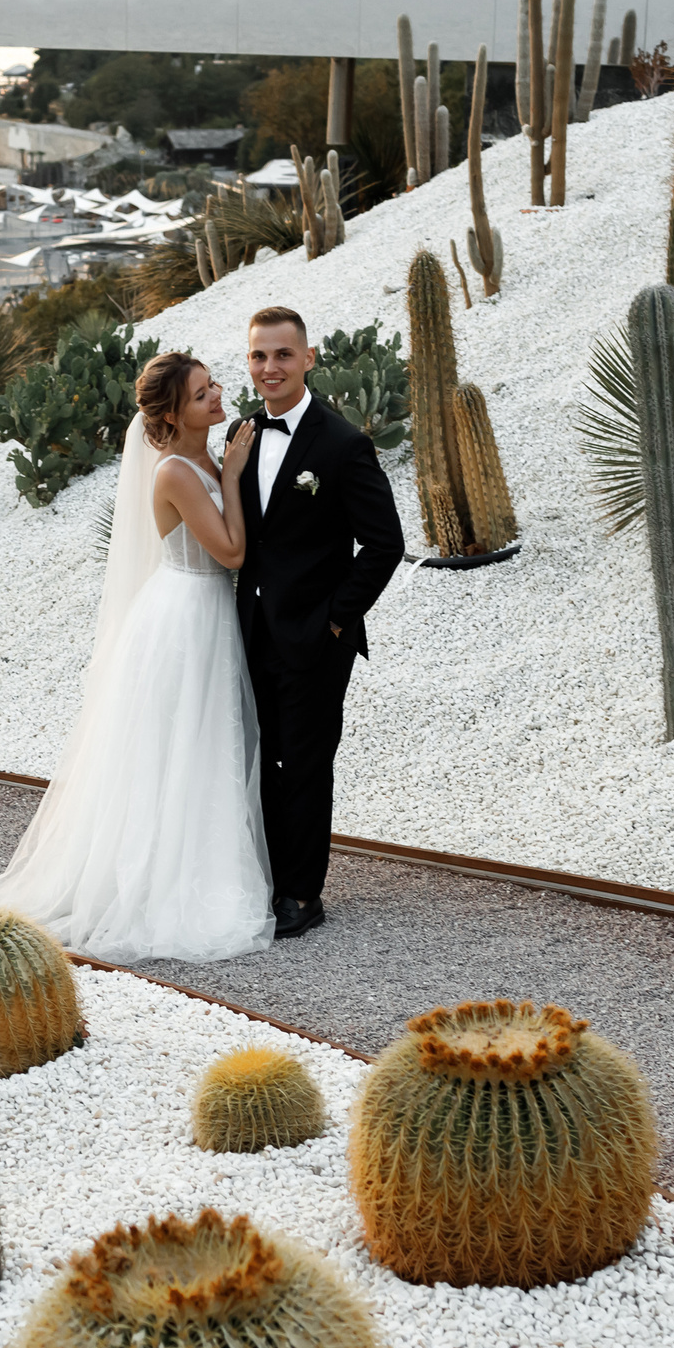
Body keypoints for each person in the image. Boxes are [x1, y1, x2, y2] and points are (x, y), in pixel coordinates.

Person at [0, 352, 275, 962]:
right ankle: (161, 880)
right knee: (178, 746)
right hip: (185, 616)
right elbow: (231, 553)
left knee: (203, 743)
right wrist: (230, 478)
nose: (217, 395)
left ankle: (203, 856)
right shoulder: (174, 472)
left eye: (212, 385)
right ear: (172, 414)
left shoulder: (204, 456)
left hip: (205, 613)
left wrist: (227, 471)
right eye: (201, 395)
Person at [226, 306, 403, 939]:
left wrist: (335, 620)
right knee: (260, 757)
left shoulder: (341, 442)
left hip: (315, 639)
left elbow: (384, 545)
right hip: (250, 632)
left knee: (303, 763)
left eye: (281, 355)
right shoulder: (241, 436)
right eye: (258, 356)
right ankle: (267, 878)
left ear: (308, 359)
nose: (269, 367)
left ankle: (302, 894)